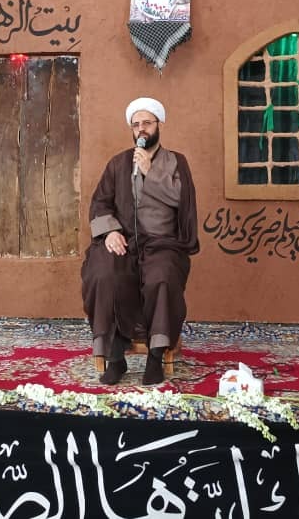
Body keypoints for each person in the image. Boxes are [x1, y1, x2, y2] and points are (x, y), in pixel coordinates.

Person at [81, 97, 199, 385]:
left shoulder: (176, 162)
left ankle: (155, 357)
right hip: (125, 241)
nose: (141, 129)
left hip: (163, 243)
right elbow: (100, 203)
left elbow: (183, 201)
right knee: (103, 273)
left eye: (147, 123)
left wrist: (151, 172)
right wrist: (110, 232)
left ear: (159, 125)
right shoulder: (118, 163)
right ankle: (115, 357)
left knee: (162, 277)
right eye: (136, 125)